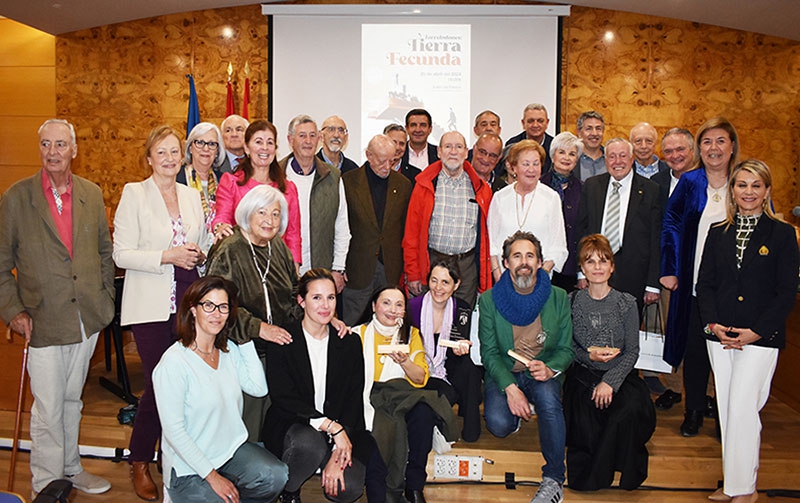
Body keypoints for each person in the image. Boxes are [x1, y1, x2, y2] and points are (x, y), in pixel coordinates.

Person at [0, 119, 115, 497]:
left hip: (86, 317)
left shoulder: (91, 193)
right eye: (46, 144)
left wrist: (104, 300)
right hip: (42, 319)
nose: (53, 152)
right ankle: (47, 485)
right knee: (48, 408)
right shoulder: (17, 197)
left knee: (71, 400)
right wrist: (13, 311)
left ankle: (70, 468)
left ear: (74, 150)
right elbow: (1, 262)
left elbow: (103, 251)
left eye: (61, 145)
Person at [113, 125, 208, 501]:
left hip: (187, 300)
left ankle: (180, 459)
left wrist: (199, 250)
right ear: (149, 158)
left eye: (174, 152)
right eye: (161, 152)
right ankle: (140, 459)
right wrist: (167, 256)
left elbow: (199, 243)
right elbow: (121, 254)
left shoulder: (190, 195)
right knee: (158, 383)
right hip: (150, 302)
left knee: (186, 383)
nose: (169, 159)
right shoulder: (134, 194)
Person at [696, 159, 799, 503]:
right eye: (742, 185)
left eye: (756, 185)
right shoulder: (717, 231)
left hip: (760, 337)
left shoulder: (783, 235)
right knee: (728, 408)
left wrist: (756, 331)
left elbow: (786, 292)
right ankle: (734, 484)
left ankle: (745, 489)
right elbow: (705, 284)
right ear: (733, 190)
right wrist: (713, 324)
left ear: (767, 190)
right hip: (721, 333)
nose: (749, 192)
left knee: (743, 406)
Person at [153, 275, 288, 503]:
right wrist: (212, 476)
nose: (216, 314)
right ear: (193, 309)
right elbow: (174, 431)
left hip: (228, 453)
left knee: (275, 476)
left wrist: (244, 339)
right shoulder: (173, 363)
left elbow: (259, 388)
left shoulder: (229, 352)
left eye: (223, 307)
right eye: (208, 305)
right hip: (188, 468)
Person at [264, 269, 386, 503]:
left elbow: (353, 399)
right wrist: (331, 428)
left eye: (330, 297)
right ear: (301, 301)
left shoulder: (348, 342)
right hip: (295, 427)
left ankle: (325, 460)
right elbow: (283, 397)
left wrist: (337, 451)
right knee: (310, 444)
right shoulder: (283, 339)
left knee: (346, 488)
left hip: (338, 429)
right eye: (316, 298)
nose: (325, 305)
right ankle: (290, 491)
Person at [479, 231, 573, 503]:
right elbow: (490, 353)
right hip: (507, 372)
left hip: (540, 371)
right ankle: (517, 412)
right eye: (516, 255)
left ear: (540, 261)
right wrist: (510, 387)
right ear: (506, 262)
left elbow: (566, 349)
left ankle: (554, 479)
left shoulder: (557, 297)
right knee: (498, 425)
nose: (524, 261)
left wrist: (551, 369)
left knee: (549, 400)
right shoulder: (488, 300)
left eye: (530, 255)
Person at [660, 117, 739, 437]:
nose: (713, 148)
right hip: (693, 283)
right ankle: (693, 411)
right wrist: (670, 268)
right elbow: (671, 224)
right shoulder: (690, 183)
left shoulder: (745, 180)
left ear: (732, 146)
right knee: (694, 349)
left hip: (736, 289)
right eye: (707, 142)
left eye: (720, 141)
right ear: (699, 149)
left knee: (729, 351)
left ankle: (725, 415)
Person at [206, 184, 301, 440]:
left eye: (275, 214)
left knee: (275, 415)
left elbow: (294, 292)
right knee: (248, 417)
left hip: (276, 347)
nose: (269, 221)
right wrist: (258, 327)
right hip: (240, 345)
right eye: (262, 212)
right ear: (247, 213)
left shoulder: (278, 247)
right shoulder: (229, 249)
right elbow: (216, 307)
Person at [564, 234, 656, 491]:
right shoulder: (571, 302)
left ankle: (622, 470)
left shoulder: (627, 303)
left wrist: (610, 383)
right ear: (582, 267)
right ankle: (591, 478)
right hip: (584, 374)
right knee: (587, 417)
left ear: (612, 266)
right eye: (590, 262)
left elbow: (632, 352)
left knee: (627, 411)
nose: (597, 267)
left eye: (603, 261)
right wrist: (588, 356)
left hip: (620, 375)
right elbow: (568, 348)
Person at [354, 286, 458, 503]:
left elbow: (420, 379)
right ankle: (384, 493)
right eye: (386, 303)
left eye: (399, 304)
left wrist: (405, 361)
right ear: (374, 306)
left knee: (424, 413)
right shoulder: (356, 334)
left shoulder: (411, 335)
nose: (392, 309)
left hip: (403, 395)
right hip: (370, 398)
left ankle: (414, 484)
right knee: (384, 427)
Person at [403, 131, 493, 307]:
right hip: (432, 263)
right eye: (448, 146)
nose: (453, 152)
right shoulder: (424, 186)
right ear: (439, 151)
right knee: (429, 323)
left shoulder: (480, 190)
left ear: (467, 152)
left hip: (466, 268)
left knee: (461, 322)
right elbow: (411, 234)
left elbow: (487, 238)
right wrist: (412, 273)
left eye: (459, 147)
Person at [576, 137, 662, 315]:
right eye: (612, 156)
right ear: (605, 160)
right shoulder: (592, 186)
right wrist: (581, 273)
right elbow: (582, 231)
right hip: (595, 271)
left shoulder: (651, 190)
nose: (617, 162)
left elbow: (656, 238)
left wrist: (653, 284)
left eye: (623, 156)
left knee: (627, 332)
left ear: (632, 159)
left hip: (635, 275)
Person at [341, 134, 412, 325]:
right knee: (350, 325)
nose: (387, 166)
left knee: (389, 324)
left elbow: (406, 229)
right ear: (368, 155)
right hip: (357, 268)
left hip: (390, 267)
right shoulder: (347, 182)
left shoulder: (403, 185)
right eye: (381, 161)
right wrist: (339, 267)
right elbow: (339, 227)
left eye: (392, 160)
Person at [408, 260, 483, 442]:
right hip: (417, 367)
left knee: (470, 370)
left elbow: (457, 345)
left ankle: (471, 430)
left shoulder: (462, 309)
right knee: (439, 398)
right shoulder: (412, 307)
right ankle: (435, 424)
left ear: (456, 285)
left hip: (446, 366)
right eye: (434, 280)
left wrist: (459, 349)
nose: (438, 288)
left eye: (445, 282)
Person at [212, 119, 302, 265]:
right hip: (240, 263)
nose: (265, 148)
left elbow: (293, 233)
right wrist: (220, 226)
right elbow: (222, 216)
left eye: (270, 143)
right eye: (259, 142)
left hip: (277, 264)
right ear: (247, 148)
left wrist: (295, 265)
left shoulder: (288, 188)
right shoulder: (231, 182)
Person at [280, 115, 350, 291]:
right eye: (302, 135)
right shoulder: (276, 174)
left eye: (312, 135)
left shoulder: (332, 176)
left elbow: (342, 227)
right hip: (282, 271)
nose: (308, 141)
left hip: (322, 272)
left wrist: (338, 269)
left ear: (319, 139)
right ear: (290, 140)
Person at [488, 139, 568, 282]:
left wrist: (542, 275)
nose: (531, 169)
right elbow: (492, 242)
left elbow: (558, 246)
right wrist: (497, 274)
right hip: (504, 278)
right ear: (514, 167)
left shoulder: (551, 197)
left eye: (536, 164)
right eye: (526, 164)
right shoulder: (500, 197)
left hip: (539, 278)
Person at [540, 132, 584, 292]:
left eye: (572, 154)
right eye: (562, 152)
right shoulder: (538, 185)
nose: (566, 157)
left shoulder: (584, 190)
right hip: (541, 264)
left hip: (571, 268)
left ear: (577, 159)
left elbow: (585, 232)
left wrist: (582, 272)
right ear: (553, 155)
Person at [178, 122, 225, 243]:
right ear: (190, 148)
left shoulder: (224, 180)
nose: (206, 148)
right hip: (186, 247)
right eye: (199, 142)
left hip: (218, 246)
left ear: (217, 152)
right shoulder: (177, 179)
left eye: (212, 144)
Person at [505, 104, 554, 173]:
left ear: (547, 123)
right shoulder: (513, 144)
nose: (535, 125)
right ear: (523, 123)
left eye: (540, 121)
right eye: (531, 121)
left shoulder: (554, 145)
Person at [576, 110, 606, 181]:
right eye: (589, 129)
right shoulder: (572, 159)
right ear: (579, 133)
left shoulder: (611, 159)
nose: (594, 133)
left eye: (598, 128)